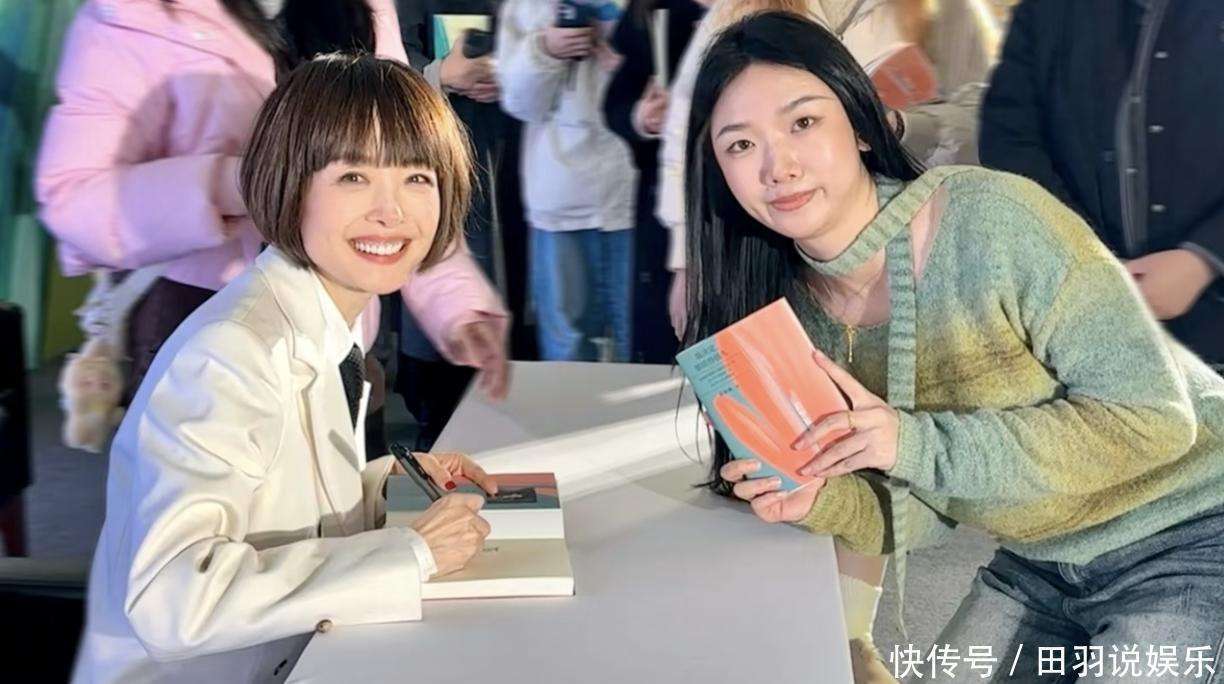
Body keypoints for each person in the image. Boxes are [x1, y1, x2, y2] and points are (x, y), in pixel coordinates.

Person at [683, 12, 1224, 683]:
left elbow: (1155, 420)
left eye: (803, 122)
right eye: (740, 145)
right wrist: (822, 501)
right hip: (1039, 561)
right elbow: (927, 512)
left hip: (1193, 528)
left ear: (860, 124)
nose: (778, 167)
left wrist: (911, 442)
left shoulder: (993, 221)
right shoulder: (793, 314)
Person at [73, 54, 500, 683]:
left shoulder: (328, 317)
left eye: (417, 177)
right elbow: (170, 598)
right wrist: (410, 552)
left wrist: (383, 485)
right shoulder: (230, 353)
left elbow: (273, 499)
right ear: (288, 184)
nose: (392, 211)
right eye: (353, 176)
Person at [35, 0, 507, 407]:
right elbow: (73, 197)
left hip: (339, 322)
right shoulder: (135, 16)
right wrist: (243, 183)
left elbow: (397, 169)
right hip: (201, 321)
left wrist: (457, 303)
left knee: (343, 481)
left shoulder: (363, 8)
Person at [660, 0, 996, 339]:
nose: (780, 166)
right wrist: (688, 261)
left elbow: (996, 114)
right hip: (789, 260)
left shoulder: (944, 9)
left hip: (929, 233)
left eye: (804, 122)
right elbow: (691, 132)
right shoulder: (739, 12)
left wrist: (895, 126)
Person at [979, 0, 1224, 367]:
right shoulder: (1048, 13)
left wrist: (1202, 260)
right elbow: (1010, 139)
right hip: (1082, 324)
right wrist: (1081, 250)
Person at [395, 0, 530, 449]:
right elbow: (382, 69)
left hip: (515, 155)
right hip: (431, 150)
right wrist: (441, 75)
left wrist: (516, 73)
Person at [497, 0, 638, 362]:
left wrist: (631, 64)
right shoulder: (527, 6)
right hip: (559, 197)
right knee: (568, 348)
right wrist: (545, 50)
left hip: (637, 195)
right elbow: (518, 103)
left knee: (641, 341)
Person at [602, 0, 706, 363]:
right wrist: (641, 117)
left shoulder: (761, 11)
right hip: (663, 200)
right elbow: (616, 102)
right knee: (663, 335)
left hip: (743, 199)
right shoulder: (652, 11)